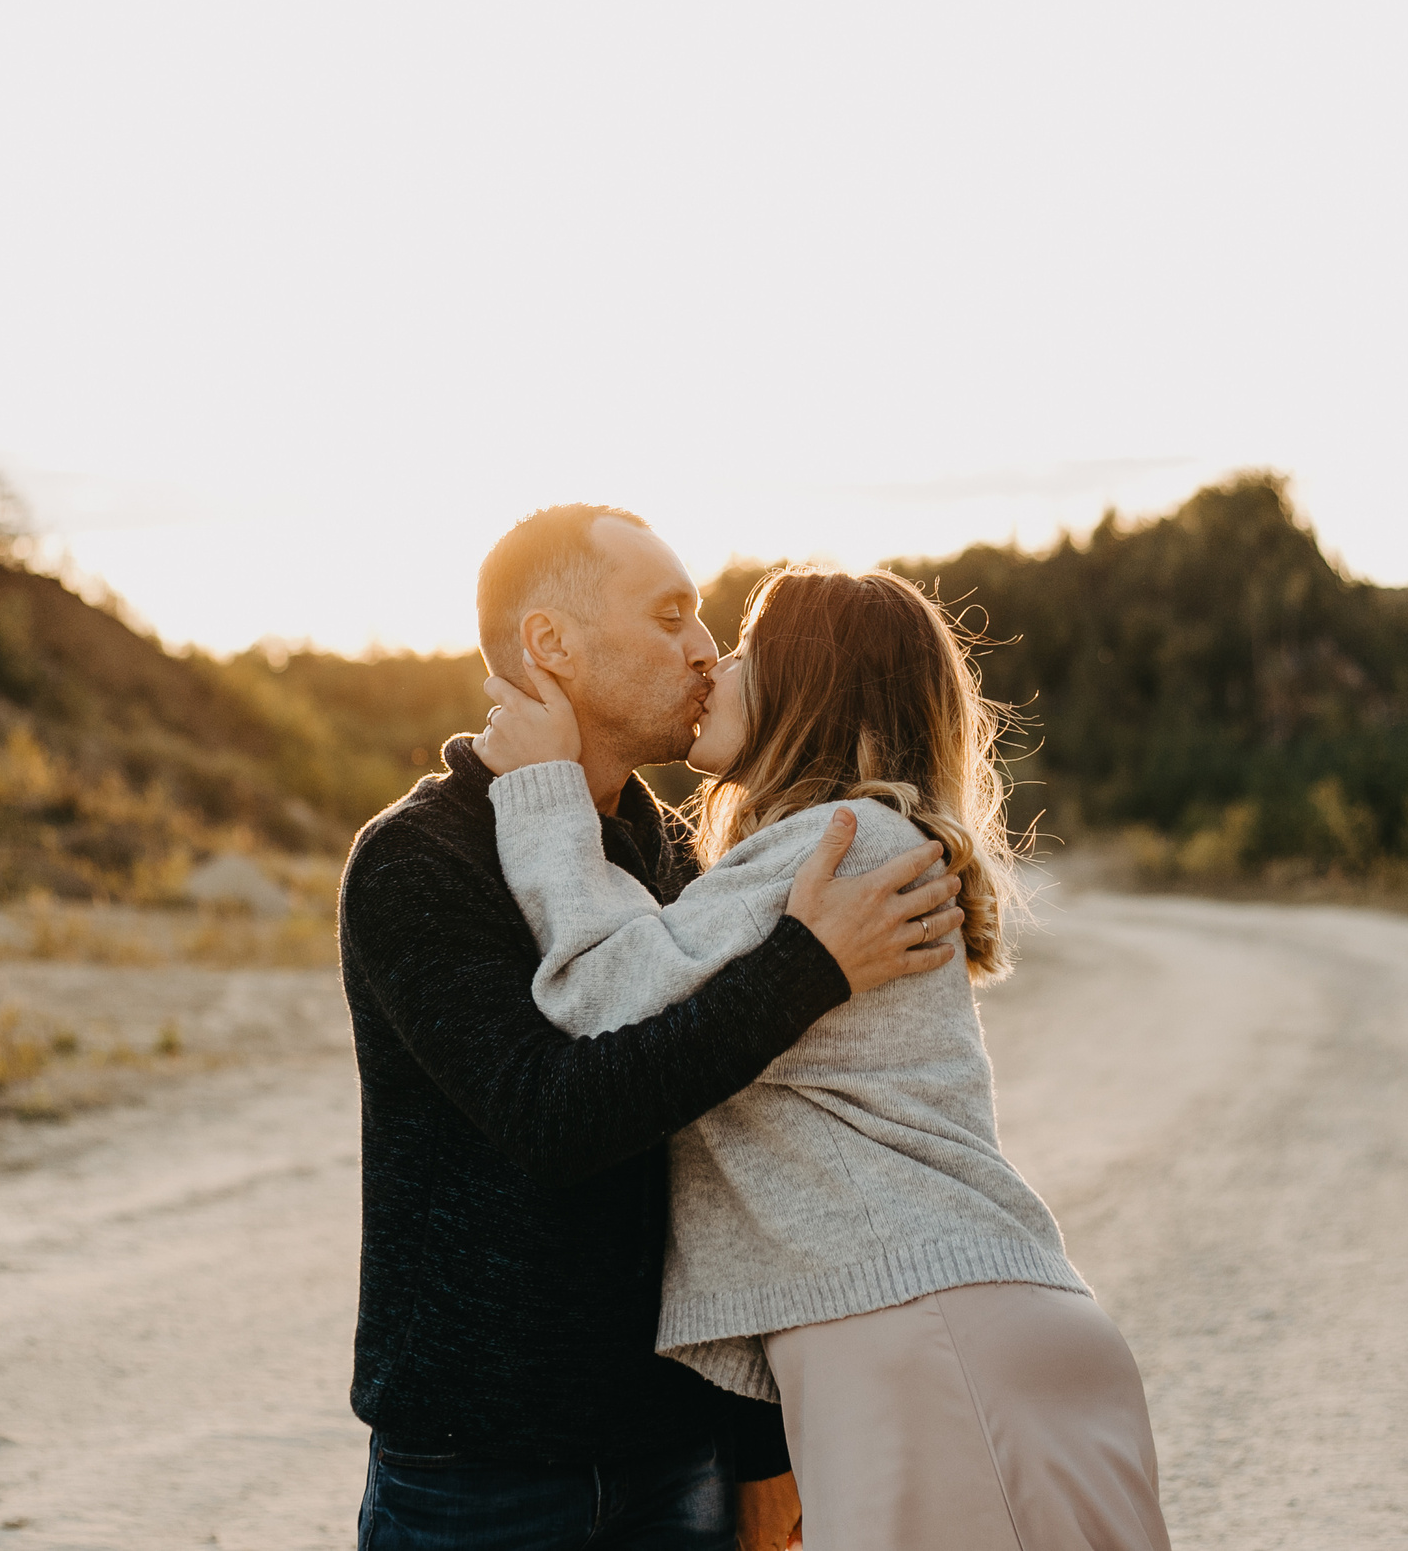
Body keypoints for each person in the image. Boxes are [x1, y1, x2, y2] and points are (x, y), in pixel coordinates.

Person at [476, 564, 1172, 1551]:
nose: (712, 661)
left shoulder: (838, 843)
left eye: (748, 647)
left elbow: (601, 994)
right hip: (952, 1324)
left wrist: (544, 794)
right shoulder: (850, 844)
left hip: (922, 1331)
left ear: (810, 685)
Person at [338, 505, 967, 1550]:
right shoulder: (420, 859)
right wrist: (804, 970)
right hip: (479, 1468)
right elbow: (553, 1114)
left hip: (679, 1458)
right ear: (551, 647)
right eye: (670, 616)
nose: (706, 649)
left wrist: (759, 1458)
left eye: (703, 618)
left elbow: (723, 1161)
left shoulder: (670, 854)